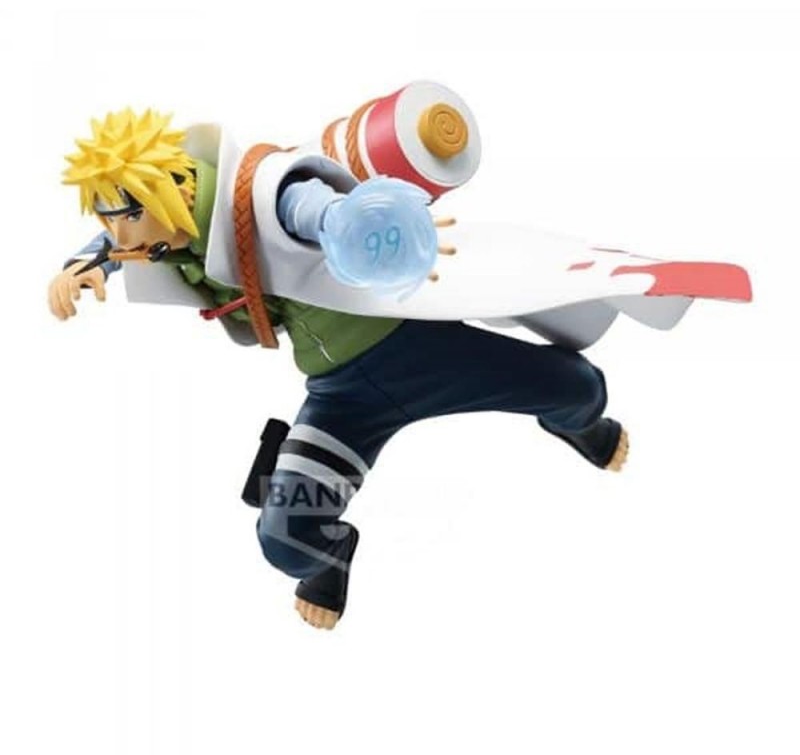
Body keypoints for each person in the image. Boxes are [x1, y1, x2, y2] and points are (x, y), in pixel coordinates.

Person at [50, 108, 629, 629]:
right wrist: (84, 266)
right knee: (287, 540)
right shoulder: (172, 236)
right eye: (112, 218)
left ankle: (581, 428)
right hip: (343, 396)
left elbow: (308, 206)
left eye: (129, 216)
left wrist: (351, 221)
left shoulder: (261, 194)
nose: (120, 234)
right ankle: (330, 558)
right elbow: (112, 237)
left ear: (176, 187)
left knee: (579, 388)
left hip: (424, 350)